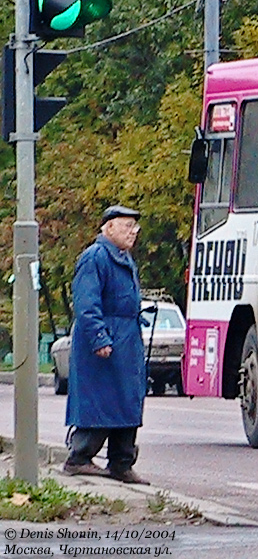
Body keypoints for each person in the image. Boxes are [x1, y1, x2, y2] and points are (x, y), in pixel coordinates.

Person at [61, 205, 150, 484]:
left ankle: (121, 462)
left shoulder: (123, 257)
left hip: (125, 338)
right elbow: (86, 304)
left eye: (134, 227)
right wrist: (99, 337)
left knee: (128, 400)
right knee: (100, 401)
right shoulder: (95, 257)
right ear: (108, 227)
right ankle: (80, 457)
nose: (132, 232)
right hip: (105, 341)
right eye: (127, 226)